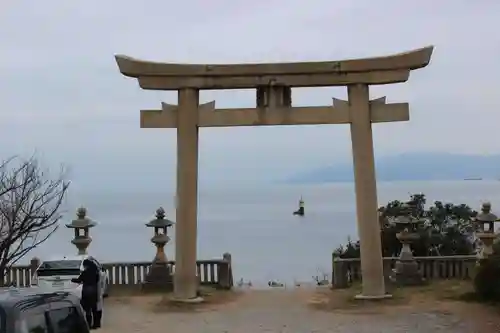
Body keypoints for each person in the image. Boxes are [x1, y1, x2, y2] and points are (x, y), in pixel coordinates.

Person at [71, 258, 102, 329]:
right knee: (95, 309)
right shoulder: (96, 272)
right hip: (95, 291)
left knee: (87, 310)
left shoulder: (85, 272)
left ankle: (89, 324)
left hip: (86, 292)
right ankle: (96, 324)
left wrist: (72, 280)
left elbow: (79, 280)